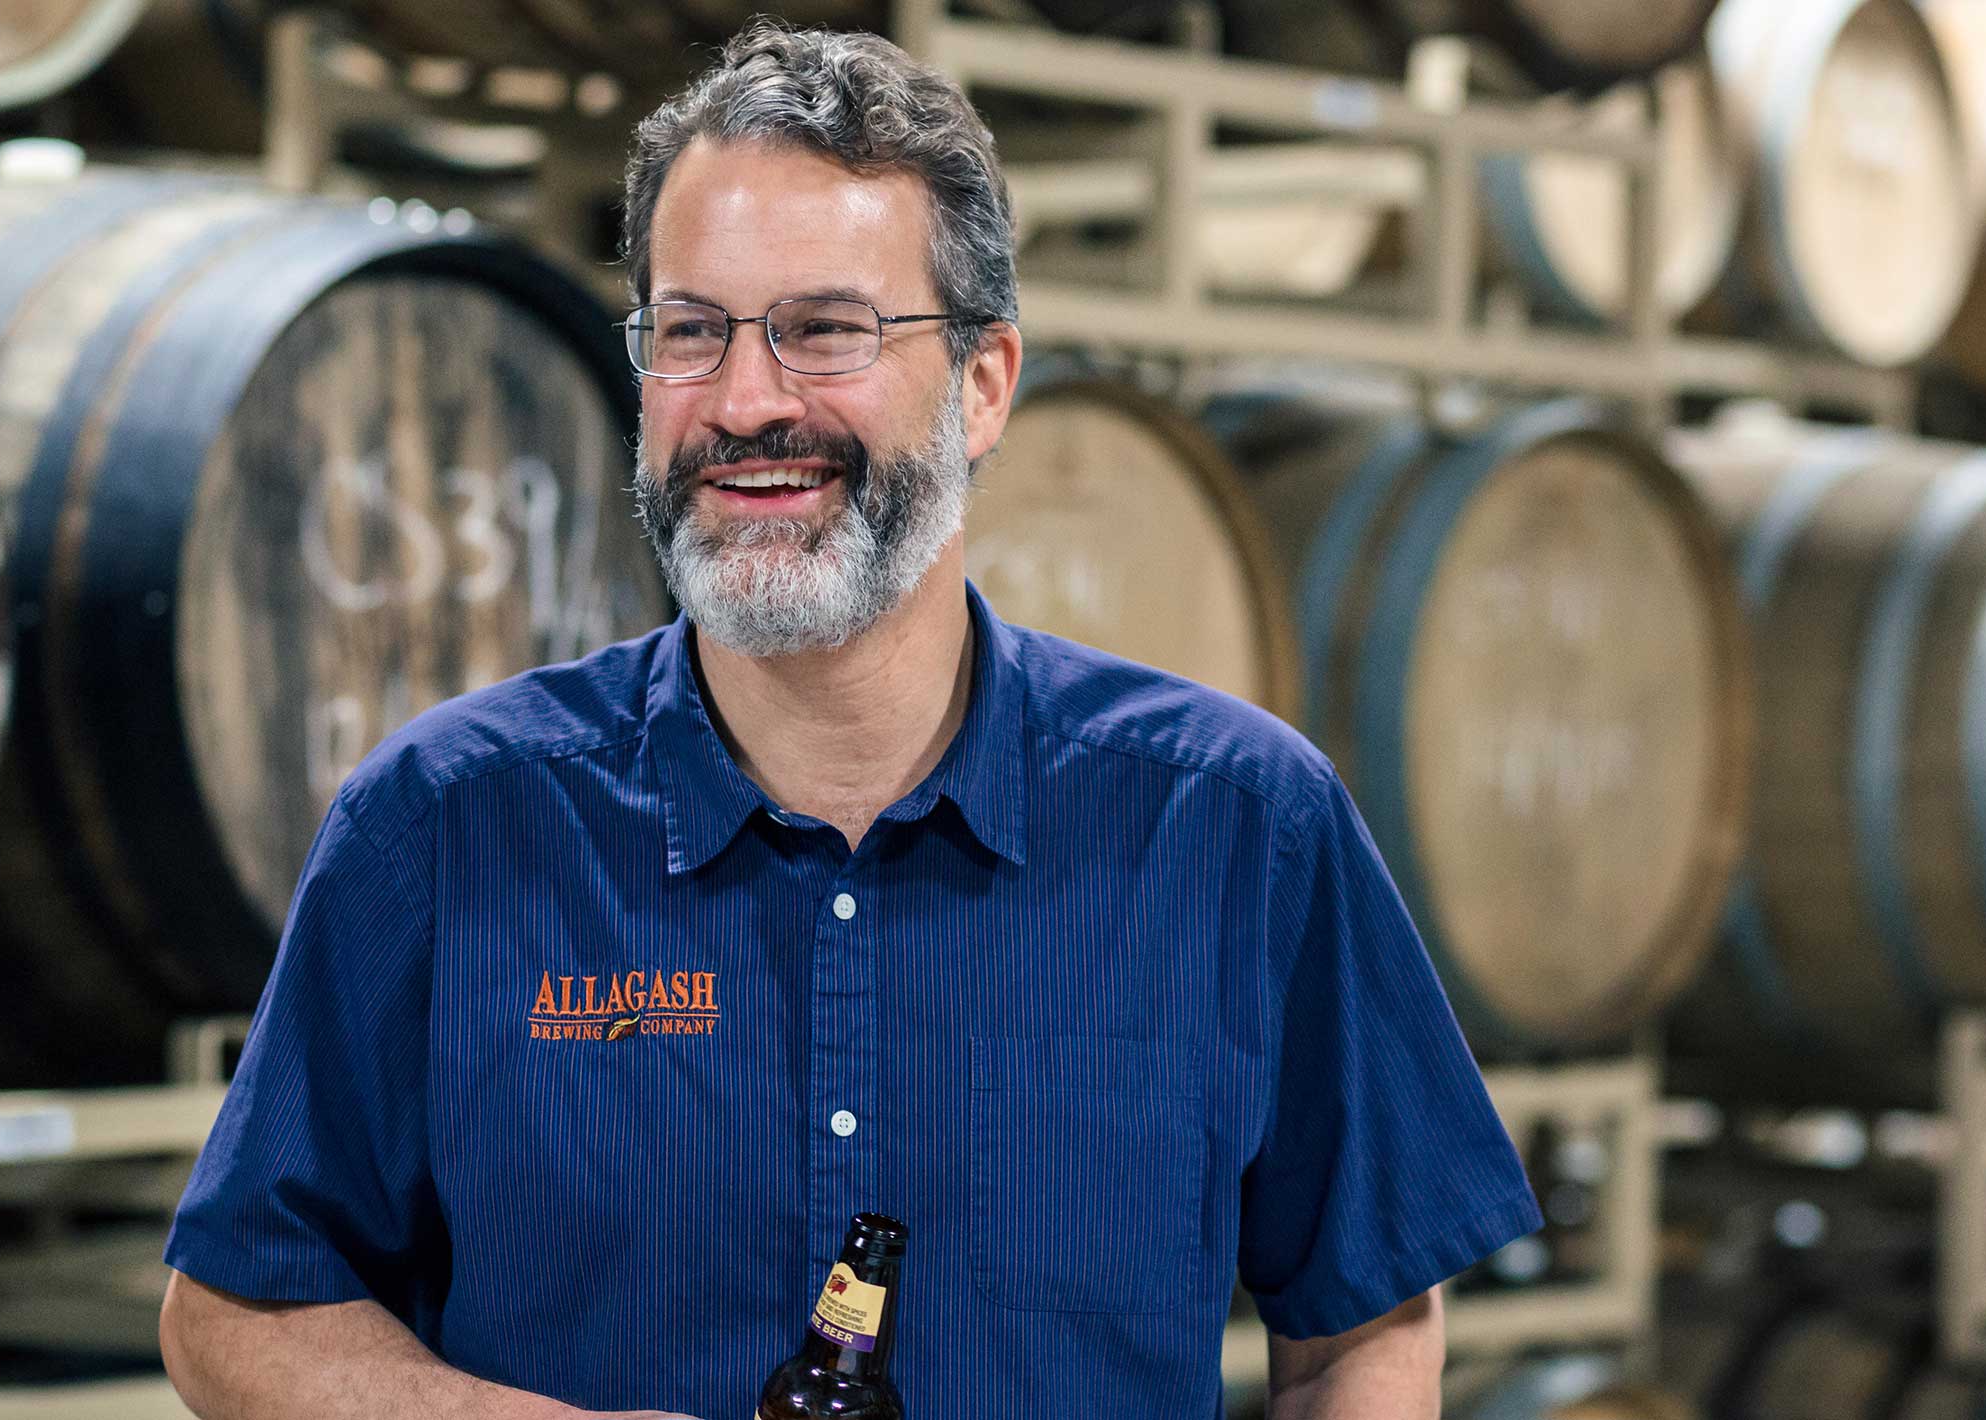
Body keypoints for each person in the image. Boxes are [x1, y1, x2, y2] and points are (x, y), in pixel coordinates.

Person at [157, 20, 1539, 1420]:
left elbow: (1367, 1327)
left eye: (826, 330)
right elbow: (233, 1313)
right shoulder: (448, 823)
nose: (747, 403)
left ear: (985, 383)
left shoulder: (1238, 824)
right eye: (691, 332)